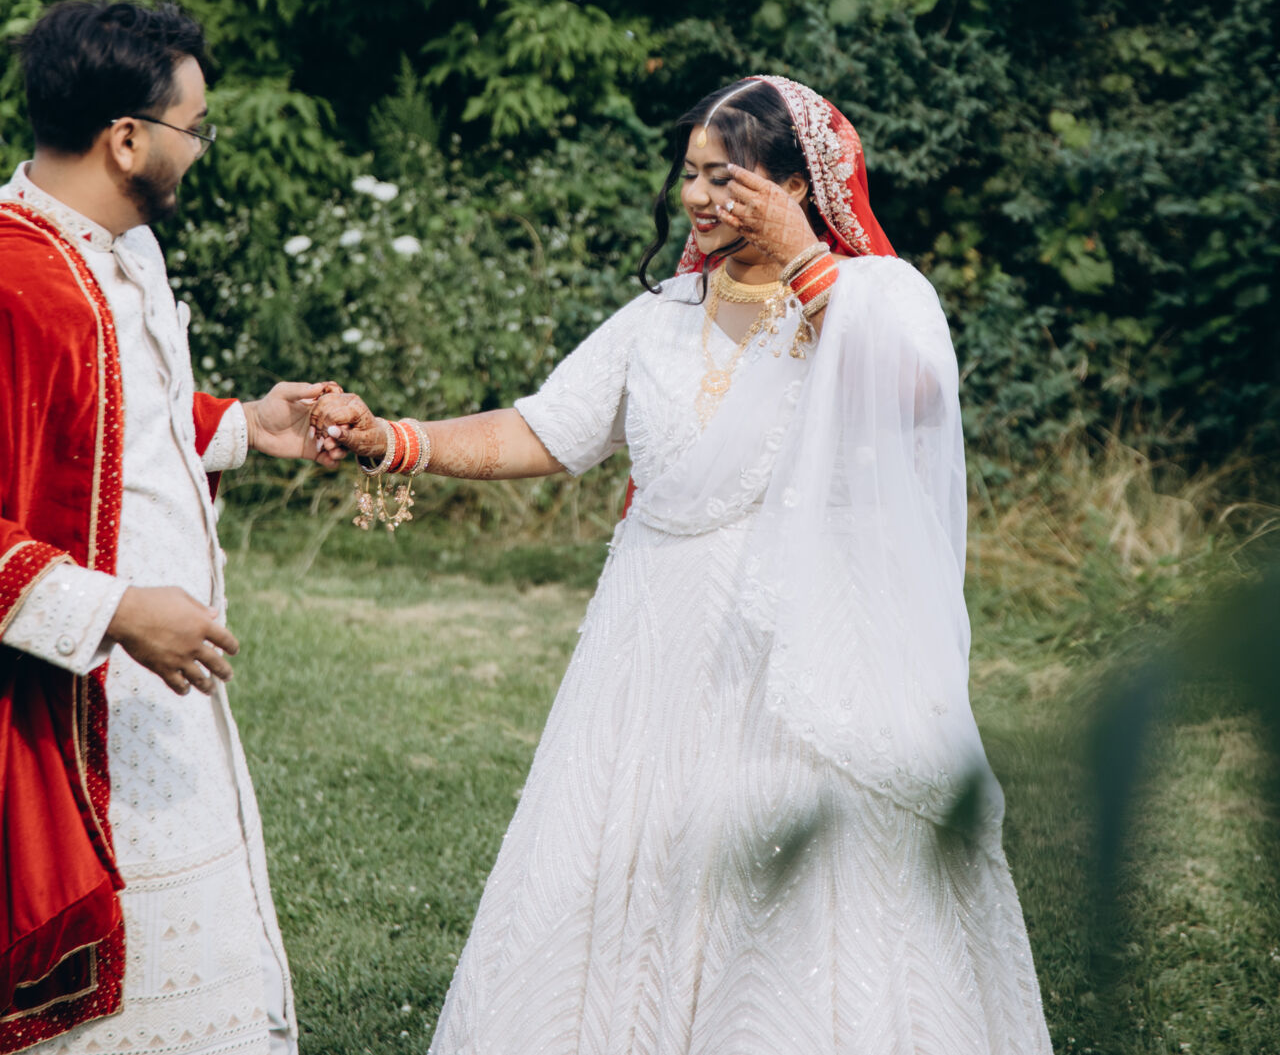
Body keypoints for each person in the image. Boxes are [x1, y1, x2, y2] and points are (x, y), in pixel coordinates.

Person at [316, 73, 1053, 1054]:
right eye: (690, 174)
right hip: (652, 648)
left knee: (784, 879)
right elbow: (545, 429)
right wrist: (394, 440)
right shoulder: (660, 313)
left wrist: (802, 259)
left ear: (796, 184)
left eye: (725, 177)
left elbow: (912, 400)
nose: (698, 197)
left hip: (799, 645)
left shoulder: (879, 295)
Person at [0, 0, 338, 1054]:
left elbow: (107, 427)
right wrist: (115, 611)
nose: (200, 148)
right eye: (195, 127)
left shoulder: (124, 249)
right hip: (67, 701)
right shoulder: (14, 280)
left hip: (162, 694)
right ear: (127, 138)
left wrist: (243, 425)